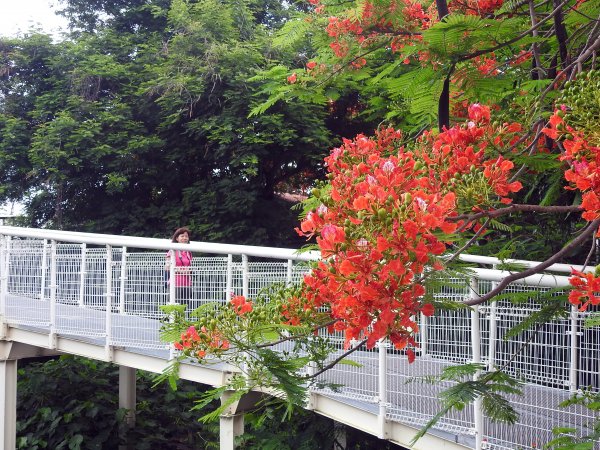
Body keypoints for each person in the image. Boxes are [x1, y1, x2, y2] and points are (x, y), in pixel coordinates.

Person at [165, 227, 193, 309]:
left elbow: (190, 267)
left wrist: (189, 271)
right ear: (177, 238)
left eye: (186, 236)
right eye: (182, 236)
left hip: (187, 284)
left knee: (184, 308)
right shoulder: (172, 251)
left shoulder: (189, 252)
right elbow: (167, 267)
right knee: (173, 308)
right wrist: (182, 271)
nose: (185, 238)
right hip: (175, 284)